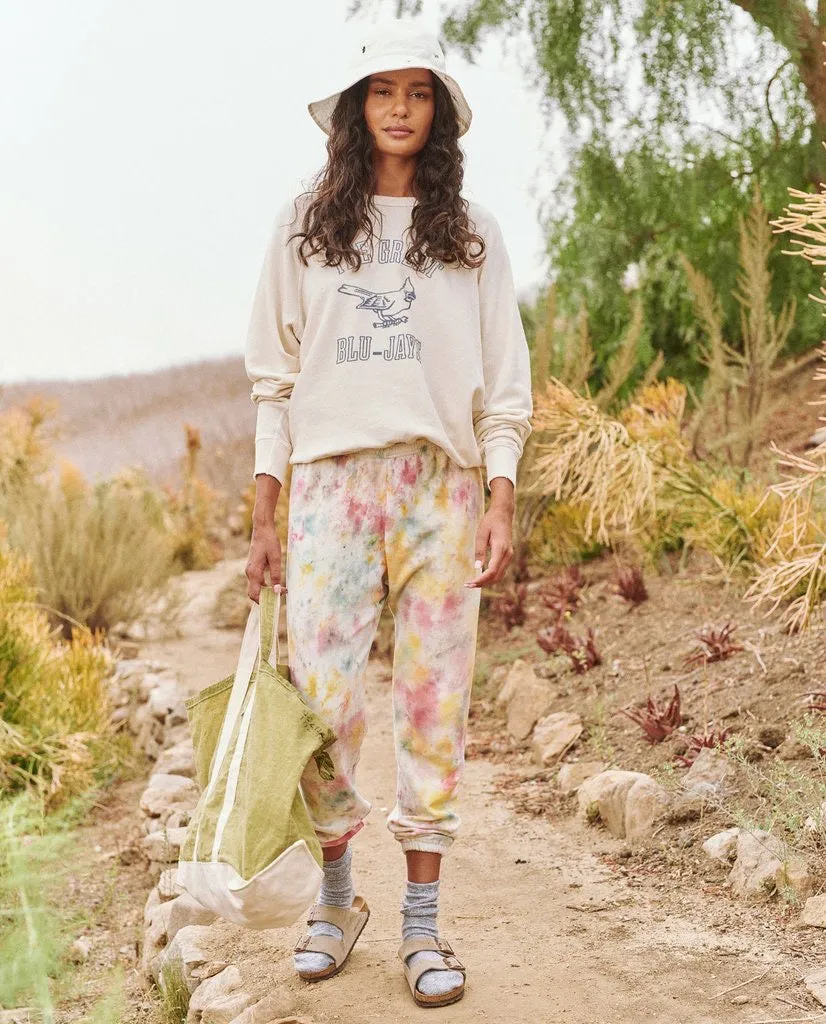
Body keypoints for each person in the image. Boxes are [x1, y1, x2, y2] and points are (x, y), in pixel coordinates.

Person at [243, 18, 533, 1009]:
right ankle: (335, 898)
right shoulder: (305, 226)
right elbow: (272, 382)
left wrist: (499, 495)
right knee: (322, 702)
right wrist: (265, 516)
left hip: (439, 492)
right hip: (327, 488)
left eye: (417, 91)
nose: (399, 107)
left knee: (430, 705)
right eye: (381, 91)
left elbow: (505, 383)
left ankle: (420, 923)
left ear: (438, 113)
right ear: (356, 109)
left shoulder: (474, 233)